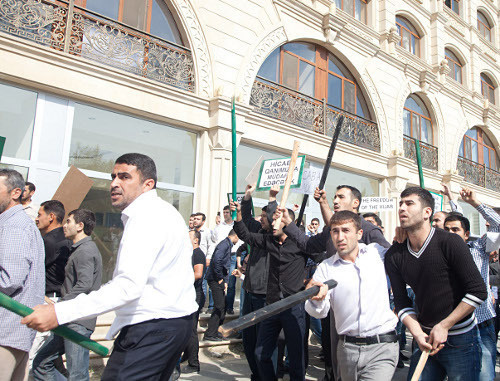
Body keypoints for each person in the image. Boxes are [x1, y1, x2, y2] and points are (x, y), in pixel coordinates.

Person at [22, 153, 198, 380]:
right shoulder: (163, 213)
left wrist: (59, 312)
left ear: (148, 184)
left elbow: (127, 287)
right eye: (113, 176)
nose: (114, 183)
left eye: (125, 177)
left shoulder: (146, 216)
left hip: (153, 328)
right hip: (170, 326)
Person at [385, 187, 487, 380]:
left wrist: (445, 325)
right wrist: (416, 333)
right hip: (423, 338)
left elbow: (478, 291)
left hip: (462, 339)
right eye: (400, 204)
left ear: (427, 212)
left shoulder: (450, 243)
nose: (402, 208)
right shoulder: (394, 254)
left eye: (409, 203)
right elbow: (401, 301)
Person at [232, 199, 324, 381]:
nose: (272, 224)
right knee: (261, 354)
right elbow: (246, 235)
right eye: (271, 220)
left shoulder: (301, 244)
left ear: (286, 222)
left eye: (276, 220)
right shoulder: (269, 241)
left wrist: (312, 281)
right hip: (272, 306)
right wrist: (239, 215)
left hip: (294, 307)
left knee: (296, 357)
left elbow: (320, 254)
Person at [304, 211, 398, 381]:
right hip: (347, 350)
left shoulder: (377, 253)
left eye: (346, 230)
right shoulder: (326, 268)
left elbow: (405, 260)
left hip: (382, 347)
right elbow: (319, 312)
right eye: (335, 231)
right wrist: (315, 299)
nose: (340, 237)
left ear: (359, 233)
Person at [33, 209, 103, 381]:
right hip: (69, 318)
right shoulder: (79, 249)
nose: (64, 225)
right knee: (41, 364)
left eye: (68, 222)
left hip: (77, 321)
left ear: (80, 226)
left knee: (77, 374)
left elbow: (84, 285)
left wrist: (60, 306)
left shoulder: (85, 251)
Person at [444, 188, 500, 381]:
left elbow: (498, 225)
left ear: (466, 234)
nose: (450, 233)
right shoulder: (441, 254)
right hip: (456, 327)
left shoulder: (479, 249)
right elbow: (456, 221)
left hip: (482, 325)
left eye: (455, 230)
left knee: (485, 376)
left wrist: (475, 203)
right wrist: (452, 200)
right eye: (447, 230)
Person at [0, 169, 45, 381]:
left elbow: (9, 279)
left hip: (5, 333)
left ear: (16, 192)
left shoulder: (14, 226)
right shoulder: (15, 224)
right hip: (13, 333)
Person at [233, 183, 277, 380]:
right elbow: (247, 220)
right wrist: (247, 197)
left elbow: (249, 226)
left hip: (265, 297)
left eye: (265, 216)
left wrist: (272, 197)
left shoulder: (276, 236)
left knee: (264, 344)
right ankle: (256, 374)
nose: (261, 219)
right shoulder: (258, 230)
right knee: (249, 341)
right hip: (250, 293)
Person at [204, 230, 239, 341]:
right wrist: (220, 278)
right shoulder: (224, 244)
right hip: (215, 279)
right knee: (219, 306)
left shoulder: (227, 245)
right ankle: (210, 333)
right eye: (238, 238)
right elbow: (217, 260)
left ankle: (215, 332)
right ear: (235, 236)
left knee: (222, 306)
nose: (238, 241)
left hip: (219, 279)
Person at [181, 230, 206, 373]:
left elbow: (198, 274)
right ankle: (187, 355)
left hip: (195, 296)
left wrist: (181, 279)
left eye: (188, 237)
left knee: (191, 330)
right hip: (188, 294)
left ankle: (194, 364)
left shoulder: (197, 254)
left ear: (195, 240)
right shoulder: (189, 253)